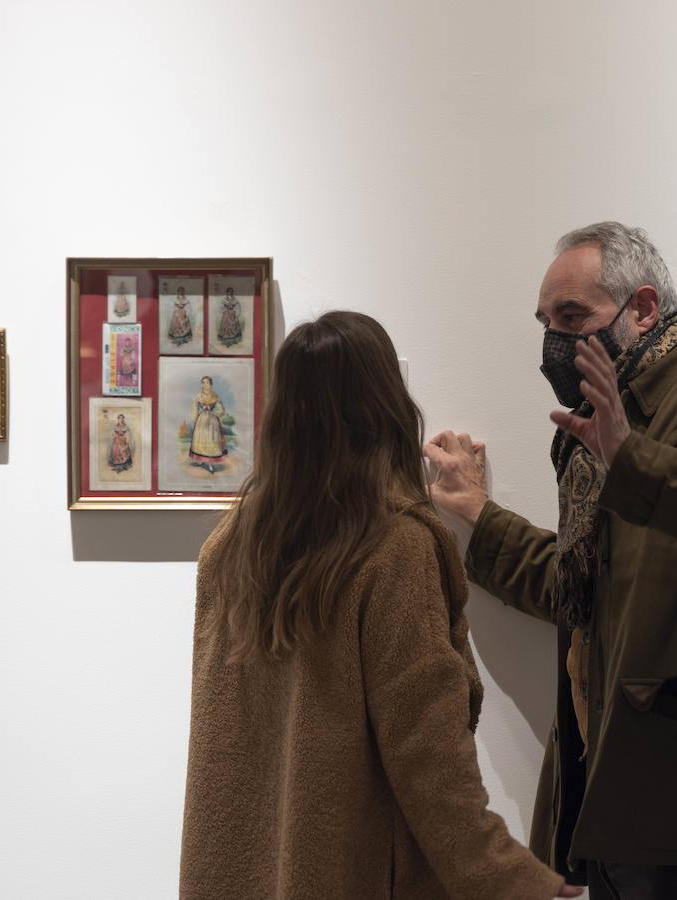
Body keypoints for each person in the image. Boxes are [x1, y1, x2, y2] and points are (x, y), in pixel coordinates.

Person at [425, 223, 677, 899]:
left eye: (573, 317)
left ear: (644, 308)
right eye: (546, 322)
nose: (555, 343)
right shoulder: (602, 427)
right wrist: (476, 513)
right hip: (623, 801)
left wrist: (636, 464)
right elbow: (583, 593)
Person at [180, 311, 578, 900]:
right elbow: (428, 755)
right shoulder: (394, 550)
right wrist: (512, 880)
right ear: (387, 408)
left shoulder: (231, 546)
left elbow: (222, 748)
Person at [187, 376, 228, 472]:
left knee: (211, 439)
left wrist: (214, 412)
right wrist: (195, 418)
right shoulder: (198, 396)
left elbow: (221, 410)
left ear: (211, 384)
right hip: (202, 420)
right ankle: (201, 460)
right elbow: (194, 408)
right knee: (200, 438)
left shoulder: (215, 396)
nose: (205, 385)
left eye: (207, 383)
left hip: (212, 421)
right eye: (203, 383)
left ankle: (209, 462)